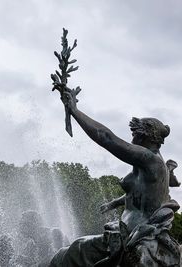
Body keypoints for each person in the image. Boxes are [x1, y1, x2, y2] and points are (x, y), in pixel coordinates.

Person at [49, 91, 181, 267]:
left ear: (142, 135)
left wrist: (75, 111)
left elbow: (106, 138)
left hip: (133, 235)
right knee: (72, 252)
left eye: (133, 134)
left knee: (72, 252)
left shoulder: (150, 160)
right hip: (125, 231)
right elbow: (142, 195)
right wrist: (114, 203)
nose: (131, 139)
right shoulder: (153, 163)